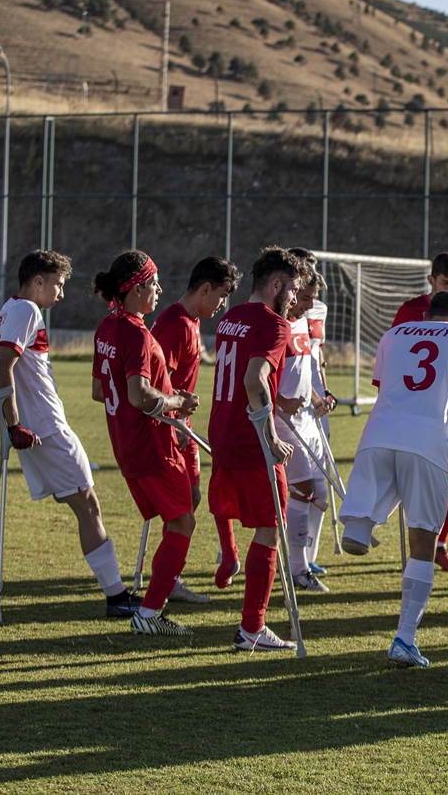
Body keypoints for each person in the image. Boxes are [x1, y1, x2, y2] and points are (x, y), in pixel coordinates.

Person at [337, 290, 448, 668]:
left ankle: (359, 523)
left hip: (378, 434)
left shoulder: (394, 334)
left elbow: (386, 388)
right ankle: (404, 638)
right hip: (427, 439)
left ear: (429, 312)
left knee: (359, 523)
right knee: (422, 538)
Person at [0, 250, 139, 619]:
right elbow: (1, 368)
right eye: (57, 284)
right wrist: (13, 424)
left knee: (83, 503)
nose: (61, 292)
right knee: (88, 505)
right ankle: (116, 597)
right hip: (45, 428)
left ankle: (116, 594)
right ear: (38, 281)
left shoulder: (8, 309)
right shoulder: (27, 311)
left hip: (37, 425)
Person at [92, 251, 200, 636]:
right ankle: (150, 613)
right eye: (153, 283)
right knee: (182, 522)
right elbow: (139, 396)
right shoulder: (137, 332)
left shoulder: (107, 326)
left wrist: (165, 392)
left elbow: (97, 389)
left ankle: (150, 607)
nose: (158, 289)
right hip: (151, 444)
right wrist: (177, 401)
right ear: (136, 289)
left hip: (126, 444)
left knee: (177, 520)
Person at [208, 246, 304, 652]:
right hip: (251, 441)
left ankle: (228, 560)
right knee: (270, 529)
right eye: (294, 289)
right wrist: (271, 437)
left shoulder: (229, 317)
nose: (295, 299)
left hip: (222, 432)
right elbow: (253, 379)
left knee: (249, 517)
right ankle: (252, 629)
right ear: (276, 285)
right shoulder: (274, 325)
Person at [151, 256, 241, 604]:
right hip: (171, 426)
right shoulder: (175, 323)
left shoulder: (188, 320)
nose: (221, 305)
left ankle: (168, 576)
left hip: (182, 425)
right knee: (181, 511)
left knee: (191, 500)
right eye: (220, 296)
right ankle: (166, 582)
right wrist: (173, 416)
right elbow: (159, 380)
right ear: (205, 289)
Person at [392, 251, 448, 572]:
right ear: (431, 281)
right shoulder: (409, 312)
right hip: (414, 415)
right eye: (445, 283)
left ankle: (441, 543)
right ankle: (418, 546)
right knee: (414, 483)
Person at [275, 264, 334, 594]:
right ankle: (296, 569)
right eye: (307, 297)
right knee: (302, 490)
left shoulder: (300, 322)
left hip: (307, 419)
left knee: (320, 493)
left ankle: (305, 561)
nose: (311, 305)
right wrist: (281, 401)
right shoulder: (276, 322)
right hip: (283, 423)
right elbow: (257, 375)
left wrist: (315, 397)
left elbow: (301, 371)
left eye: (315, 298)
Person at [288, 247, 338, 575]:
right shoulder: (279, 313)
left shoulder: (317, 306)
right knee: (294, 488)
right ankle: (228, 550)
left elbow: (314, 355)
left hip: (313, 402)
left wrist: (323, 391)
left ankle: (308, 555)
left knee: (320, 486)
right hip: (288, 411)